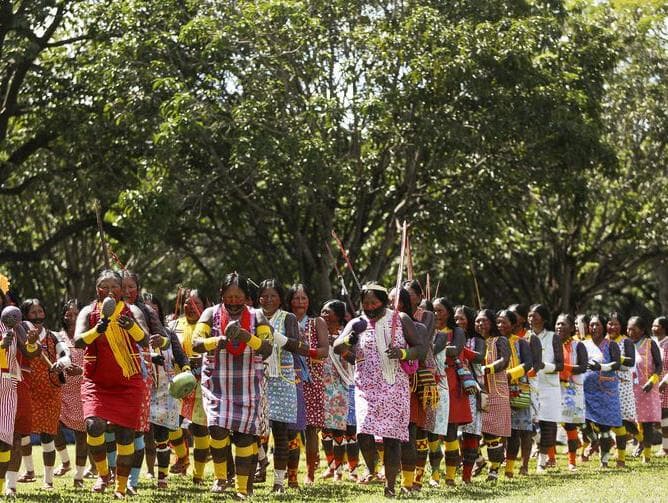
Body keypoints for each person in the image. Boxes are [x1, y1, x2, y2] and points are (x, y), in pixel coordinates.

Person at [334, 283, 424, 498]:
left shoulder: (400, 319)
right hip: (365, 387)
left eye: (374, 303)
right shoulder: (358, 322)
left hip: (394, 386)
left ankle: (391, 486)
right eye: (365, 303)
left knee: (392, 440)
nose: (369, 307)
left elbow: (420, 349)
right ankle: (374, 469)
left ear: (384, 302)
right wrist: (349, 340)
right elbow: (338, 347)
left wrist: (402, 353)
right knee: (363, 432)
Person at [192, 273, 274, 498]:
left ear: (247, 297)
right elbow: (196, 344)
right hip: (217, 383)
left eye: (239, 297)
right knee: (216, 430)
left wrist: (247, 337)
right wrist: (216, 341)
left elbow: (267, 349)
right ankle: (221, 478)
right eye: (229, 296)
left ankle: (242, 488)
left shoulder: (258, 316)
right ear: (222, 295)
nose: (234, 301)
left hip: (248, 385)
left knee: (245, 437)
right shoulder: (211, 314)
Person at [74, 269, 149, 497]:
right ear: (97, 290)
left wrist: (131, 327)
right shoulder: (89, 312)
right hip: (96, 381)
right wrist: (97, 330)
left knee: (126, 434)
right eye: (104, 287)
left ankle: (121, 487)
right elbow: (78, 341)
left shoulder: (132, 310)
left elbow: (144, 338)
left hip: (128, 382)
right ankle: (104, 474)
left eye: (114, 286)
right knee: (93, 426)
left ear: (121, 288)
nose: (110, 291)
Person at [19, 298, 71, 490]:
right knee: (23, 433)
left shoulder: (53, 336)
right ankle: (29, 471)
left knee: (47, 436)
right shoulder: (20, 336)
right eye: (33, 313)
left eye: (40, 312)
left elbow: (66, 355)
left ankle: (48, 481)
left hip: (50, 392)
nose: (38, 316)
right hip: (27, 390)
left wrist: (62, 364)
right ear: (25, 316)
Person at [285, 284, 328, 486]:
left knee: (311, 429)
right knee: (287, 429)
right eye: (296, 298)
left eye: (304, 298)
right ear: (289, 301)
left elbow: (324, 351)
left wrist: (303, 349)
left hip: (311, 380)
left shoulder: (316, 322)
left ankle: (310, 472)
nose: (300, 302)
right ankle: (288, 468)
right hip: (287, 379)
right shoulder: (284, 320)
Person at [169, 288, 210, 484]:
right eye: (187, 302)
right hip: (178, 384)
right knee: (170, 424)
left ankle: (198, 475)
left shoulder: (209, 325)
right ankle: (182, 456)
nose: (190, 306)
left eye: (196, 303)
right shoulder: (173, 325)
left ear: (204, 306)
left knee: (200, 430)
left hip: (203, 385)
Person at [0, 305, 41, 496]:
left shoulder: (19, 323)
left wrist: (32, 342)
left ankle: (10, 484)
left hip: (14, 384)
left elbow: (31, 351)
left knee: (14, 436)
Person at [431, 298, 472, 486]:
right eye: (433, 311)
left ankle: (449, 476)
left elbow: (455, 350)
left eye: (439, 310)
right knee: (430, 429)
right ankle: (434, 475)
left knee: (450, 430)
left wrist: (433, 348)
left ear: (448, 312)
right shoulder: (426, 328)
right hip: (430, 379)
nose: (436, 314)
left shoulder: (457, 331)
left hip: (452, 381)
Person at [53, 300, 88, 487]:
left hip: (83, 391)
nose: (72, 317)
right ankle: (65, 461)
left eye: (76, 313)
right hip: (62, 390)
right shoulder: (57, 336)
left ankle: (79, 475)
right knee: (53, 426)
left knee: (82, 436)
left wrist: (81, 372)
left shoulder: (88, 337)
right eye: (68, 313)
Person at [320, 300, 355, 481]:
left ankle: (344, 470)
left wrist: (339, 345)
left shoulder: (347, 335)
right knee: (325, 430)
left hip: (343, 386)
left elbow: (353, 359)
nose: (324, 314)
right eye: (323, 311)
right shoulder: (318, 335)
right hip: (322, 386)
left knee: (342, 430)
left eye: (328, 312)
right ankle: (331, 466)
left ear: (339, 315)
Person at [527, 304, 563, 473]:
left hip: (549, 387)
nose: (531, 318)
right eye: (529, 315)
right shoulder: (525, 337)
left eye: (535, 315)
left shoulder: (552, 337)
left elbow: (560, 365)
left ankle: (542, 462)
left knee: (548, 425)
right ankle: (537, 443)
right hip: (529, 386)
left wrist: (544, 366)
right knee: (530, 425)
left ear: (543, 318)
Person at [583, 314, 622, 468]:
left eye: (597, 325)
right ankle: (594, 440)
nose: (594, 328)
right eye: (591, 325)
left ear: (603, 327)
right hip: (586, 392)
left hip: (606, 392)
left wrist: (601, 367)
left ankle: (604, 461)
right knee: (582, 422)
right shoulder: (583, 345)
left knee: (605, 428)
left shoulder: (611, 345)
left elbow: (617, 364)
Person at [477, 309, 511, 482]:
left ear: (491, 322)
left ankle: (494, 471)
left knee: (492, 435)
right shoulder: (474, 341)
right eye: (478, 321)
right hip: (477, 392)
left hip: (496, 392)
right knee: (471, 432)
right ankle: (479, 460)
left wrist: (486, 369)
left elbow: (504, 360)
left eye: (484, 321)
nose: (481, 324)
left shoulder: (500, 340)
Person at [455, 305, 485, 484]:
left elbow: (480, 357)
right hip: (453, 388)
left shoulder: (477, 339)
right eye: (456, 318)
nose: (458, 322)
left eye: (462, 318)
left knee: (471, 433)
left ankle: (467, 476)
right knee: (456, 434)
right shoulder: (448, 334)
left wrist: (460, 349)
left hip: (471, 389)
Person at [502, 309, 533, 478]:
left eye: (504, 322)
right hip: (498, 388)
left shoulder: (520, 342)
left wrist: (510, 374)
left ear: (513, 325)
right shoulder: (492, 342)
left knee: (523, 429)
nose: (500, 325)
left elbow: (528, 364)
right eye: (498, 322)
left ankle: (524, 465)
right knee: (507, 431)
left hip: (518, 389)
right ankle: (507, 464)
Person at [627, 316, 661, 463]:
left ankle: (647, 455)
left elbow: (659, 366)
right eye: (628, 329)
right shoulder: (625, 344)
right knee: (626, 420)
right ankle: (639, 440)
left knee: (647, 423)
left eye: (633, 329)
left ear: (641, 330)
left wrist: (652, 381)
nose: (630, 332)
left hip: (647, 388)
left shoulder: (650, 343)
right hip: (629, 388)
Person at [556, 314, 587, 471]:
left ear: (571, 328)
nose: (560, 327)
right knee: (548, 422)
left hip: (572, 388)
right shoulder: (552, 344)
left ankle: (572, 461)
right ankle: (549, 459)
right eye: (558, 324)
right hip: (553, 387)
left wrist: (563, 367)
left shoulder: (578, 345)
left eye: (563, 324)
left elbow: (582, 367)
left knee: (569, 425)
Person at [607, 312, 636, 467]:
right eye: (610, 323)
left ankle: (622, 457)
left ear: (622, 326)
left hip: (622, 384)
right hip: (604, 384)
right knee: (609, 420)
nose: (612, 326)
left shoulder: (626, 342)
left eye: (616, 324)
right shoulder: (603, 341)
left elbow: (630, 362)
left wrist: (617, 357)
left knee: (623, 421)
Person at [653, 316, 668, 456]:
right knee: (656, 419)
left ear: (663, 328)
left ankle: (665, 448)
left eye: (656, 326)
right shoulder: (652, 343)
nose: (653, 328)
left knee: (664, 417)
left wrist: (665, 382)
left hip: (665, 385)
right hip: (652, 385)